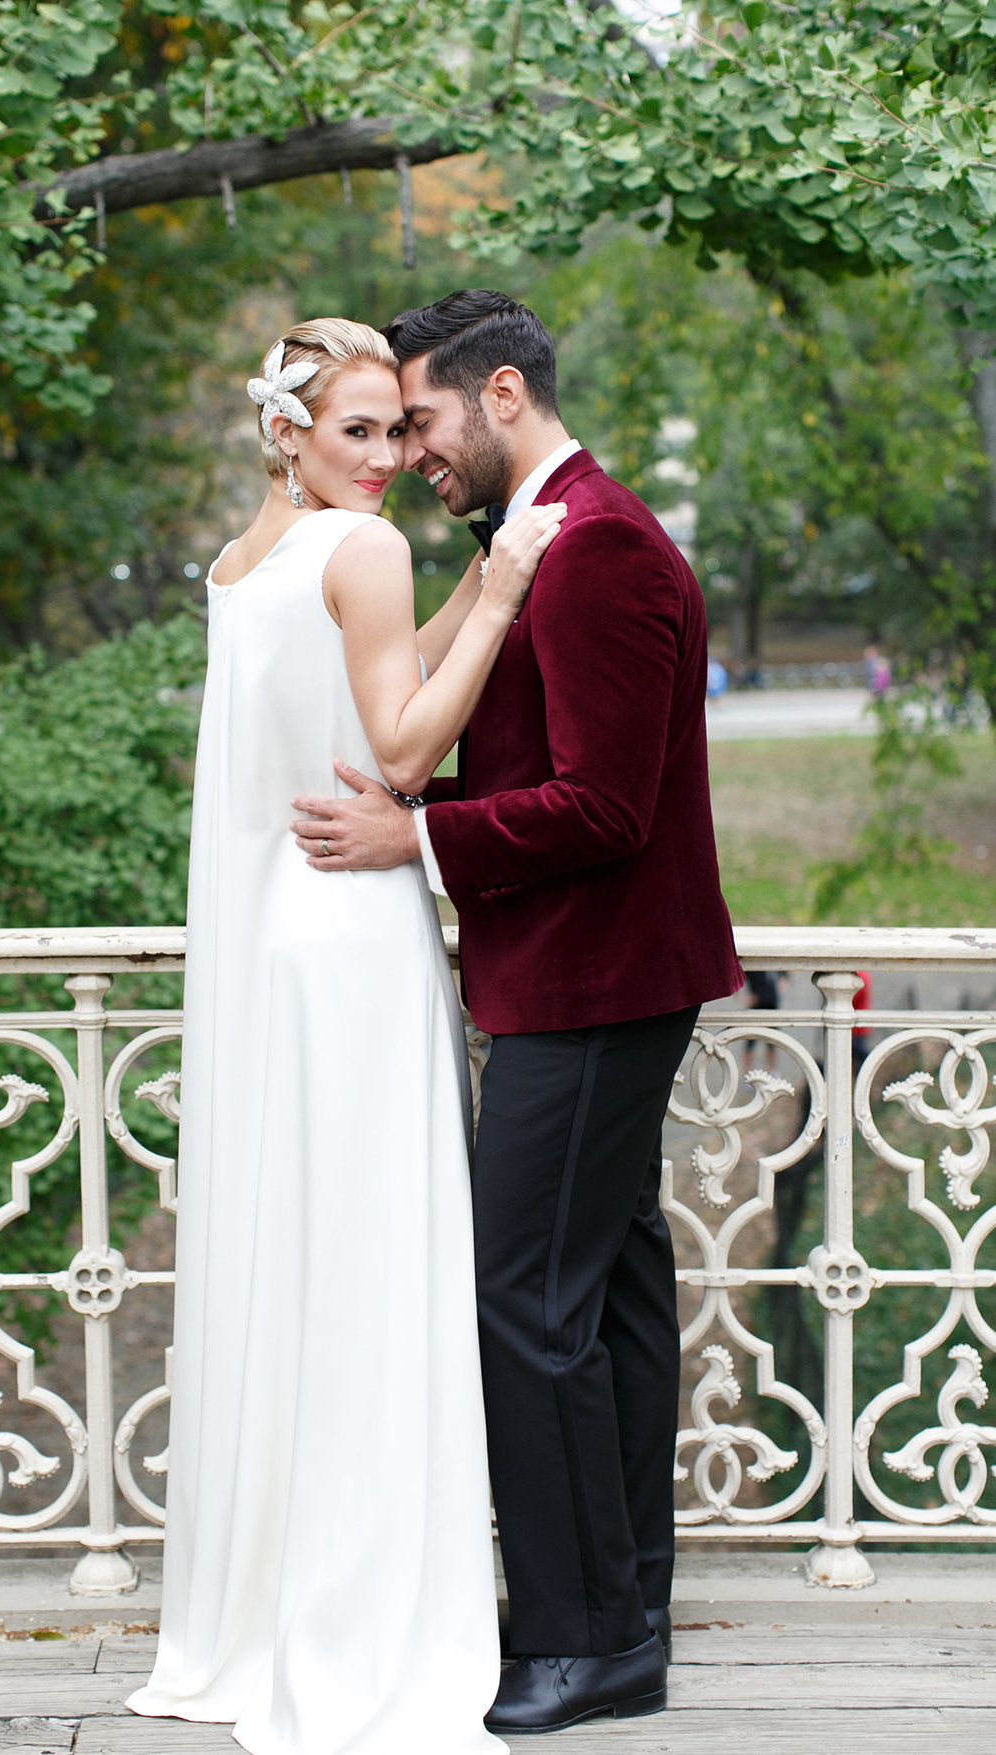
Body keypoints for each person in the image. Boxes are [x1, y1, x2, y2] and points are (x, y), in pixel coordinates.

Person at [292, 291, 744, 1734]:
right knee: (602, 1299)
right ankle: (620, 1607)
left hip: (598, 985)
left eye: (418, 418)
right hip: (580, 978)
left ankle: (575, 1638)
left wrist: (410, 845)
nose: (408, 450)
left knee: (521, 1304)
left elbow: (604, 806)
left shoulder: (599, 549)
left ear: (498, 397)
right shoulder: (537, 540)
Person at [125, 317, 564, 1755]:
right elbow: (395, 751)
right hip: (358, 925)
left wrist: (446, 620)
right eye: (357, 430)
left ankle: (254, 1611)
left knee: (299, 1263)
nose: (385, 458)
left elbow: (363, 676)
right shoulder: (366, 551)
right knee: (376, 1267)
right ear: (291, 432)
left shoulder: (240, 566)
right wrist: (496, 593)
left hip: (271, 943)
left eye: (395, 429)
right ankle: (368, 1620)